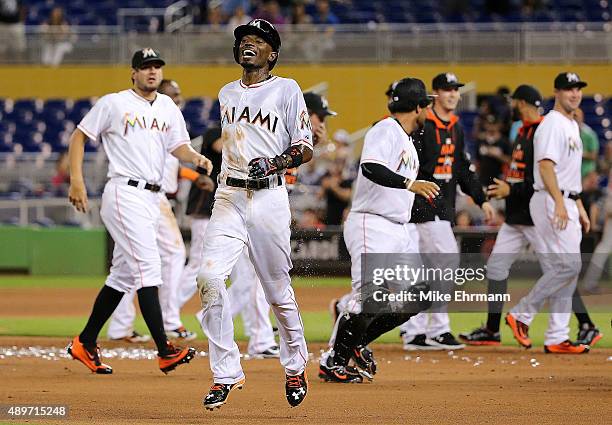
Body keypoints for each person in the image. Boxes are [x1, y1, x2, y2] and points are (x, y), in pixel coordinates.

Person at [65, 48, 212, 374]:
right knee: (149, 268)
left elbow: (179, 146)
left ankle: (84, 342)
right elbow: (79, 137)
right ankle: (164, 349)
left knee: (124, 274)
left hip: (152, 199)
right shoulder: (114, 102)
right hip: (124, 193)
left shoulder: (168, 107)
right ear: (133, 72)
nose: (152, 71)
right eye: (146, 66)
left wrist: (195, 159)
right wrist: (76, 180)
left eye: (157, 66)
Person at [199, 19, 311, 409]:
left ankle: (296, 365)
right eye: (245, 40)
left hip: (269, 199)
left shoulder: (287, 89)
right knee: (209, 278)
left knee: (277, 292)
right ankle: (225, 373)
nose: (249, 44)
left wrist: (277, 162)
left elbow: (305, 147)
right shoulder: (226, 92)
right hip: (229, 195)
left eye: (259, 41)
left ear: (272, 54)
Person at [319, 78, 439, 383]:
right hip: (372, 223)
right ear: (417, 106)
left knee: (421, 293)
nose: (429, 109)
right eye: (426, 103)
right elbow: (370, 166)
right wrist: (409, 183)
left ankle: (357, 343)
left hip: (397, 229)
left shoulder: (406, 139)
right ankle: (334, 361)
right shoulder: (386, 129)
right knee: (367, 298)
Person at [106, 79, 213, 344]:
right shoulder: (153, 120)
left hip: (155, 197)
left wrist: (192, 175)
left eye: (178, 95)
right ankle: (169, 320)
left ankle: (122, 326)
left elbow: (172, 165)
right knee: (173, 253)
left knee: (129, 264)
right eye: (173, 95)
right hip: (146, 196)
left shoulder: (166, 121)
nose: (178, 99)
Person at [399, 73, 495, 351]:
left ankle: (416, 330)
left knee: (427, 268)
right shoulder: (421, 125)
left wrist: (481, 199)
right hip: (417, 207)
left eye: (456, 89)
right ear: (436, 93)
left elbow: (461, 169)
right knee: (441, 263)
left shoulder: (456, 127)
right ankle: (433, 329)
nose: (453, 94)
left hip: (439, 207)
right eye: (447, 89)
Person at [505, 72, 591, 354]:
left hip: (566, 198)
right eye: (569, 89)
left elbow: (569, 172)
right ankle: (521, 314)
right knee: (568, 267)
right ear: (557, 92)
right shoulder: (553, 124)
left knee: (567, 271)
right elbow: (545, 166)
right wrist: (559, 202)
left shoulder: (571, 125)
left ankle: (557, 336)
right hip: (550, 198)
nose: (575, 94)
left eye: (578, 89)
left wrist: (576, 203)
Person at [575, 107, 600, 178]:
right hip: (572, 172)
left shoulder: (590, 134)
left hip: (586, 173)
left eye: (576, 116)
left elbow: (594, 155)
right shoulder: (567, 132)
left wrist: (579, 153)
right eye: (573, 116)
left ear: (582, 118)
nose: (574, 119)